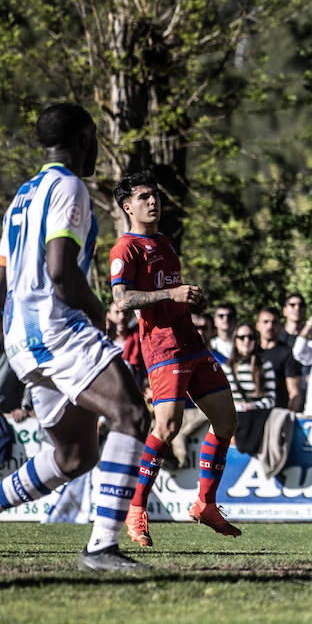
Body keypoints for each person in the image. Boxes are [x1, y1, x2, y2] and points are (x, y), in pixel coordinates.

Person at [0, 103, 151, 571]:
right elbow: (60, 272)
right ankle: (102, 547)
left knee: (75, 454)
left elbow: (5, 278)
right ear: (84, 140)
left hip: (21, 339)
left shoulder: (19, 199)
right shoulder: (69, 187)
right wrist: (98, 312)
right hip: (57, 328)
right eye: (96, 141)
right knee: (129, 413)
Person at [109, 170, 242, 548]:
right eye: (145, 197)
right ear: (127, 206)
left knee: (226, 420)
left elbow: (171, 291)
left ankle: (205, 503)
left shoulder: (164, 242)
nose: (154, 202)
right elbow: (123, 299)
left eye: (157, 196)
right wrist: (171, 295)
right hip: (162, 348)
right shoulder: (125, 248)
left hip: (192, 343)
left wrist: (190, 298)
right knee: (166, 427)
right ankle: (136, 508)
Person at [255, 307, 302, 412]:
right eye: (265, 322)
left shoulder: (288, 353)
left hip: (277, 414)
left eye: (274, 322)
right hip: (253, 413)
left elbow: (295, 393)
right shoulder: (253, 353)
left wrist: (288, 417)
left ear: (280, 326)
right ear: (257, 325)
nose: (270, 326)